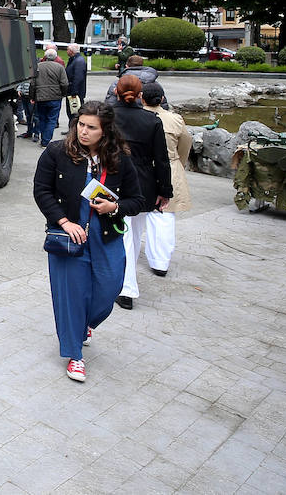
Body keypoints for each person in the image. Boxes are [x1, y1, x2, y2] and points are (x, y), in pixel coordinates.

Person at [33, 100, 144, 383]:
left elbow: (136, 200)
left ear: (105, 131)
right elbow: (42, 190)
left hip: (105, 236)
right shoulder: (57, 152)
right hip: (68, 237)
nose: (83, 131)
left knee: (110, 288)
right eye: (80, 124)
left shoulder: (119, 159)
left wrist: (114, 208)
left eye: (91, 127)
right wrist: (64, 221)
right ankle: (74, 356)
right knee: (71, 296)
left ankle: (86, 325)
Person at [110, 74, 173, 310]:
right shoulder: (152, 120)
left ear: (116, 92)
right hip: (142, 184)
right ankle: (126, 285)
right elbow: (162, 160)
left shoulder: (107, 117)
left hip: (112, 181)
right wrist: (165, 190)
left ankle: (125, 286)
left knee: (122, 236)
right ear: (140, 96)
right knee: (133, 236)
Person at [138, 82, 192, 279]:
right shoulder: (175, 119)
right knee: (163, 216)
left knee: (134, 215)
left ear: (141, 97)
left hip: (141, 169)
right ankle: (160, 262)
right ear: (161, 99)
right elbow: (185, 144)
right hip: (169, 168)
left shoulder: (137, 117)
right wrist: (177, 163)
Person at [28, 47, 69, 147]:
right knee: (52, 119)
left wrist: (32, 96)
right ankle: (46, 140)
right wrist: (63, 94)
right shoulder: (59, 67)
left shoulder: (38, 67)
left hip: (41, 97)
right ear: (55, 57)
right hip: (55, 97)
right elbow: (64, 83)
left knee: (42, 118)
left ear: (45, 56)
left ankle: (43, 138)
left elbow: (32, 84)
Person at [65, 44, 88, 125]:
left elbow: (78, 78)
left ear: (71, 51)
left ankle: (74, 130)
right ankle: (71, 128)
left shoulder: (79, 61)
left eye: (67, 49)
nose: (66, 51)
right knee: (71, 112)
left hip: (76, 92)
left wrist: (74, 92)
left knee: (75, 112)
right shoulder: (74, 60)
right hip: (72, 91)